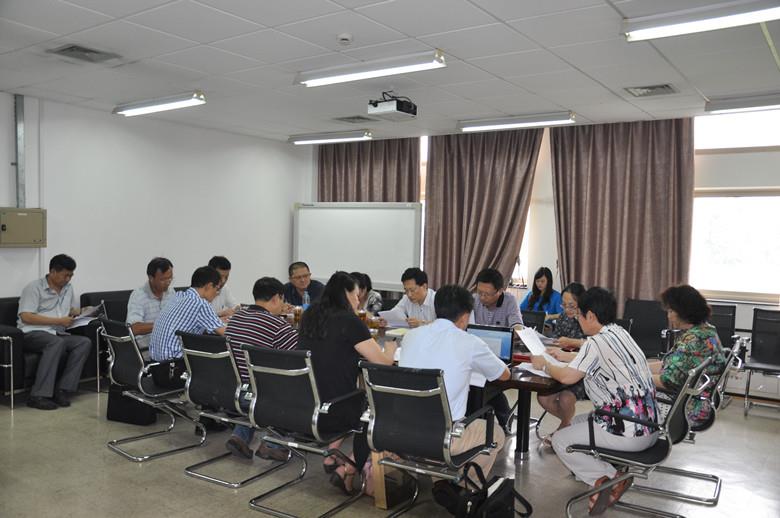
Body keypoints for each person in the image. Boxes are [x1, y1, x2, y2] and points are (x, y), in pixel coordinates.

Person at [532, 287, 657, 515]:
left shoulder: (595, 342)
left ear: (590, 316)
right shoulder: (619, 333)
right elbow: (599, 359)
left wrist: (545, 365)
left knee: (561, 440)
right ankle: (605, 477)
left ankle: (610, 478)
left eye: (579, 314)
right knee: (573, 424)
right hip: (649, 425)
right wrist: (567, 356)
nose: (577, 319)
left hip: (628, 430)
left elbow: (567, 377)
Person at [400, 285, 510, 497]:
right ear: (466, 316)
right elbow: (504, 375)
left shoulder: (410, 337)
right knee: (496, 433)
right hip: (444, 437)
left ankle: (442, 480)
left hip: (404, 431)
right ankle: (466, 489)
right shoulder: (469, 342)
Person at [297, 271, 397, 495]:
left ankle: (331, 456)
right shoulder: (349, 321)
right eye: (355, 295)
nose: (358, 300)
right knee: (374, 412)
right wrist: (390, 350)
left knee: (345, 394)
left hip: (307, 404)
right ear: (345, 294)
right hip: (334, 408)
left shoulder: (310, 314)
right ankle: (348, 468)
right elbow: (381, 363)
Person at [224, 277, 298, 461]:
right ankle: (273, 444)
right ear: (276, 298)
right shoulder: (278, 326)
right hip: (261, 395)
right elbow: (299, 362)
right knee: (293, 386)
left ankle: (240, 436)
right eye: (282, 300)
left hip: (233, 389)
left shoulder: (235, 318)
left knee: (259, 382)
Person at [17, 254, 92, 410]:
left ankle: (62, 389)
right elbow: (26, 316)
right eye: (65, 275)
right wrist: (58, 321)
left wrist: (81, 312)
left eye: (71, 275)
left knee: (83, 343)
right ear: (53, 272)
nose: (68, 279)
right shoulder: (34, 288)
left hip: (56, 332)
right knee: (55, 343)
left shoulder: (68, 288)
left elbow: (65, 310)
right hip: (31, 333)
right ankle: (38, 396)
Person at [648, 285, 726, 427]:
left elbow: (667, 381)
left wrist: (635, 375)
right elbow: (670, 364)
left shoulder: (693, 340)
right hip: (699, 401)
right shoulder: (706, 331)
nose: (668, 316)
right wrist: (640, 366)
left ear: (683, 312)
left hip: (687, 409)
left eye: (671, 311)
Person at [149, 266, 226, 387]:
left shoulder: (178, 296)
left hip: (156, 369)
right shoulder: (200, 304)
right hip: (174, 372)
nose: (217, 294)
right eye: (217, 289)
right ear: (209, 286)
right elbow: (227, 334)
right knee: (221, 357)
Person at [468, 267, 521, 430]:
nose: (482, 297)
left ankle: (491, 421)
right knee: (479, 384)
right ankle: (501, 419)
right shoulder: (473, 299)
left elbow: (517, 327)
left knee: (487, 385)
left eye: (487, 294)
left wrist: (513, 331)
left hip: (500, 355)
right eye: (480, 292)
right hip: (478, 354)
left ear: (500, 291)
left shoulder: (509, 301)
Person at [536, 282, 587, 443]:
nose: (567, 310)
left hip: (582, 370)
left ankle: (563, 430)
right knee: (543, 398)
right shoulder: (563, 317)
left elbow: (594, 345)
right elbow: (556, 341)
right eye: (564, 305)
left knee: (565, 398)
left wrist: (571, 342)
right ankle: (568, 425)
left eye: (571, 306)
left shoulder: (588, 318)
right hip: (560, 365)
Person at [126, 257, 175, 350]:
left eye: (170, 278)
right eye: (163, 279)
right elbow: (134, 328)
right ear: (151, 278)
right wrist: (162, 325)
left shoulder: (171, 293)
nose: (168, 282)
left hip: (167, 346)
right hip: (146, 349)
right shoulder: (138, 296)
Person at [208, 256, 239, 320]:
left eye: (226, 277)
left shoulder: (224, 288)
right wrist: (220, 314)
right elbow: (201, 318)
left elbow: (234, 306)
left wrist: (237, 309)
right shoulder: (201, 291)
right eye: (220, 277)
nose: (223, 281)